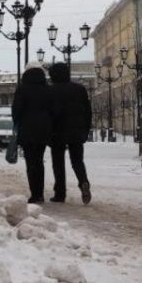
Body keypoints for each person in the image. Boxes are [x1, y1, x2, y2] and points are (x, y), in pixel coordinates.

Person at [48, 62, 92, 204]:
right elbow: (88, 111)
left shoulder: (50, 91)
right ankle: (83, 181)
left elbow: (49, 114)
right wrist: (86, 129)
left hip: (57, 132)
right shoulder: (80, 89)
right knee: (77, 161)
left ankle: (60, 193)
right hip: (76, 131)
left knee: (58, 163)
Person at [11, 62, 54, 204]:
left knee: (30, 162)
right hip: (43, 130)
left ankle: (35, 194)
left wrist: (19, 122)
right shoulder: (47, 89)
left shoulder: (22, 89)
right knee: (39, 161)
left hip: (27, 130)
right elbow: (53, 110)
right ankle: (40, 194)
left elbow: (16, 111)